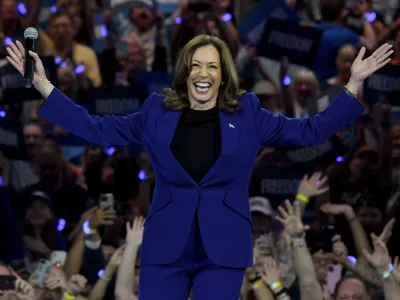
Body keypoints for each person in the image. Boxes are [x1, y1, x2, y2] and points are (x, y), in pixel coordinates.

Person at [5, 35, 393, 300]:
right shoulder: (157, 110)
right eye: (195, 65)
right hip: (166, 244)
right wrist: (44, 87)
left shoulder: (249, 112)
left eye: (211, 66)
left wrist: (352, 85)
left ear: (223, 72)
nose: (203, 73)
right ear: (185, 71)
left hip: (222, 246)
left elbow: (311, 130)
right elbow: (95, 128)